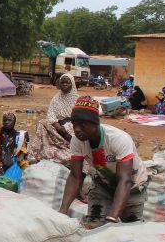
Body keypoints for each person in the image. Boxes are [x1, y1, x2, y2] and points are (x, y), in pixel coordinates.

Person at [59, 97, 148, 228]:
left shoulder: (118, 139)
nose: (77, 129)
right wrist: (63, 211)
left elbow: (125, 180)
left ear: (95, 123)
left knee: (131, 229)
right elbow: (75, 176)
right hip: (103, 184)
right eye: (74, 124)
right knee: (94, 226)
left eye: (82, 124)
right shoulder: (77, 141)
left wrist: (112, 218)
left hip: (132, 186)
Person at [30, 73, 79, 165]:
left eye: (67, 83)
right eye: (62, 82)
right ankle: (40, 152)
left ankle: (69, 149)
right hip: (57, 126)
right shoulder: (56, 98)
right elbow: (50, 115)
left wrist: (67, 129)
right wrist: (58, 126)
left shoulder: (77, 99)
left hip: (72, 127)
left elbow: (80, 118)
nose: (64, 84)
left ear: (72, 84)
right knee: (41, 123)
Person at [0, 112, 29, 184]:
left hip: (12, 161)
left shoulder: (18, 136)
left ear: (14, 122)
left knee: (24, 168)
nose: (6, 122)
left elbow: (22, 151)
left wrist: (16, 162)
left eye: (9, 120)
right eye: (4, 120)